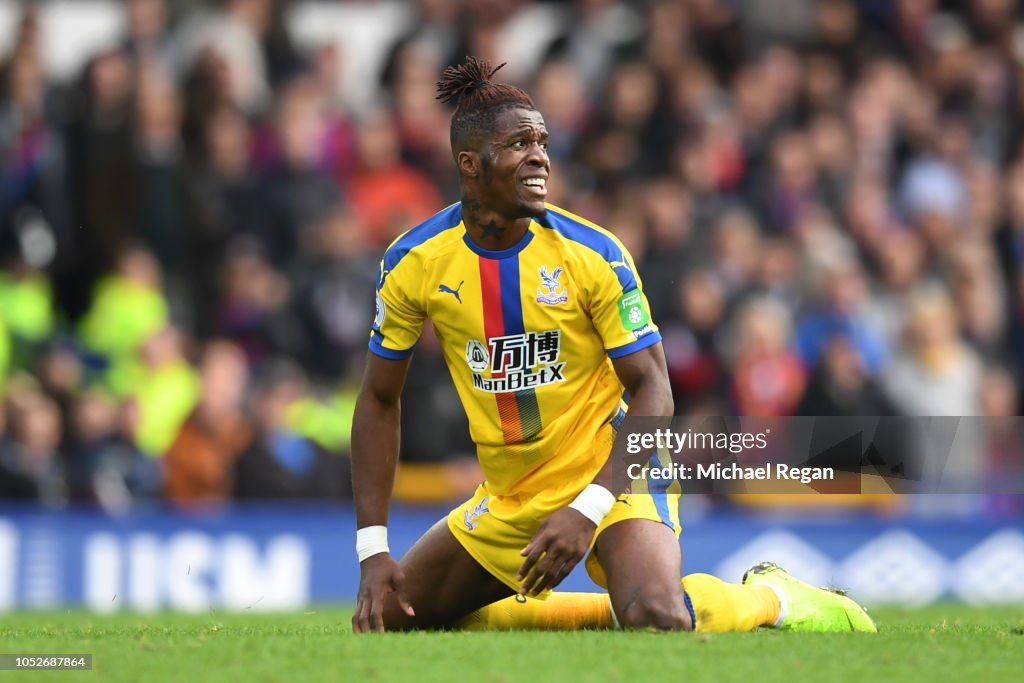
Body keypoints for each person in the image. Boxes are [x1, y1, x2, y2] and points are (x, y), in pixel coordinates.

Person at [350, 57, 876, 634]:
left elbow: (654, 390)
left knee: (655, 615)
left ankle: (774, 597)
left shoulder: (593, 255)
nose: (541, 157)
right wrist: (373, 549)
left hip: (616, 471)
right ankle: (569, 616)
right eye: (521, 143)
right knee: (391, 620)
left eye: (544, 142)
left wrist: (588, 509)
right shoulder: (413, 262)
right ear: (470, 164)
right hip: (511, 489)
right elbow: (378, 400)